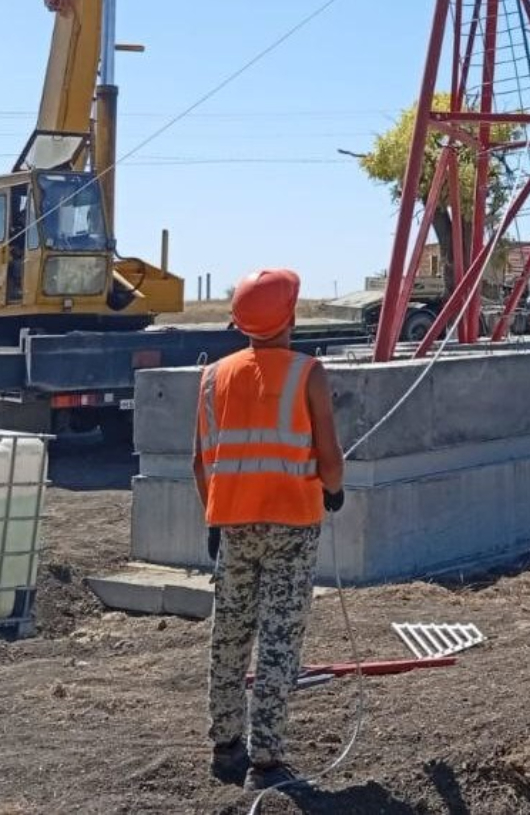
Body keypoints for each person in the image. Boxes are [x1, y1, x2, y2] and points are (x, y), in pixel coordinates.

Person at [194, 268, 345, 791]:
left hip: (233, 525)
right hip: (293, 526)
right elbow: (330, 459)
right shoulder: (309, 373)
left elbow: (202, 463)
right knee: (280, 638)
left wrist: (215, 516)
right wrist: (334, 488)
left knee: (229, 632)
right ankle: (267, 761)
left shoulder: (213, 377)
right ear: (291, 316)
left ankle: (225, 744)